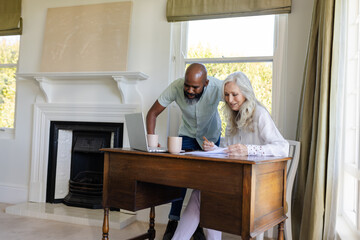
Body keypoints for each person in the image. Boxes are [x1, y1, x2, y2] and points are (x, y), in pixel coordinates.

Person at [171, 71, 289, 240]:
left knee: (205, 194)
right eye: (226, 95)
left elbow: (283, 148)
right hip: (237, 179)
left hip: (259, 185)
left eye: (235, 94)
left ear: (246, 94)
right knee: (202, 191)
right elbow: (230, 151)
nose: (230, 99)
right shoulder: (233, 118)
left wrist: (249, 150)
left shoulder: (260, 114)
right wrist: (215, 149)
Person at [146, 63, 223, 240]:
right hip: (187, 135)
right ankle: (173, 223)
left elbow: (237, 102)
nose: (189, 90)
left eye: (195, 87)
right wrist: (151, 142)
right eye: (187, 85)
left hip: (210, 138)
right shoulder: (176, 86)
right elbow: (152, 113)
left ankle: (199, 226)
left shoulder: (218, 87)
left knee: (205, 185)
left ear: (206, 83)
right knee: (178, 180)